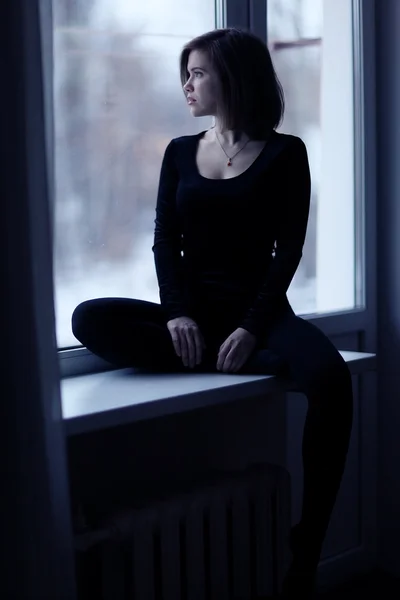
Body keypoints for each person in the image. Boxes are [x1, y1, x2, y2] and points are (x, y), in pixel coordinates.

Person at [72, 28, 353, 598]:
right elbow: (163, 242)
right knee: (88, 318)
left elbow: (289, 250)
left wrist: (251, 326)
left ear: (232, 77)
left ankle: (308, 544)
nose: (187, 85)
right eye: (187, 73)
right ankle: (215, 357)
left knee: (332, 379)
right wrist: (176, 314)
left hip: (261, 315)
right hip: (194, 320)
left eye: (198, 73)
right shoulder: (179, 153)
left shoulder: (284, 152)